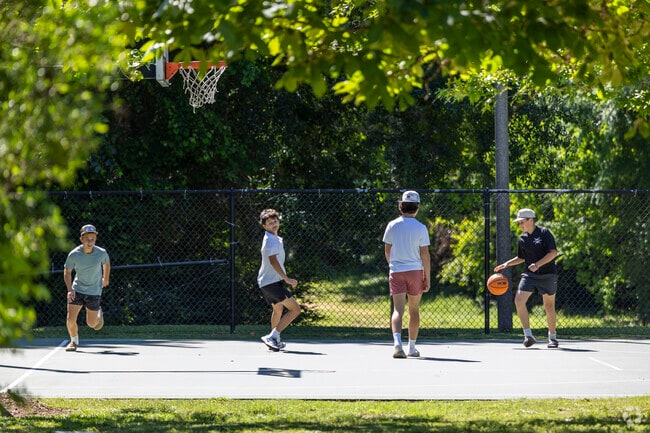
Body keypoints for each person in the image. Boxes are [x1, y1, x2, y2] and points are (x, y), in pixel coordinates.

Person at [494, 208, 559, 348]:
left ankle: (552, 338)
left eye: (522, 222)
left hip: (548, 274)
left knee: (548, 306)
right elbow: (521, 258)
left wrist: (538, 264)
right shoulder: (522, 238)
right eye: (519, 223)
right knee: (518, 300)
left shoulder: (544, 233)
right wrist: (506, 264)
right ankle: (528, 336)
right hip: (530, 275)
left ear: (531, 220)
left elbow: (553, 253)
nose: (520, 225)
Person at [382, 191, 431, 359]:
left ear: (401, 205)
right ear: (417, 207)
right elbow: (425, 254)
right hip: (415, 271)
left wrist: (393, 266)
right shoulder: (421, 228)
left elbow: (387, 250)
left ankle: (397, 345)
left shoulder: (392, 225)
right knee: (414, 310)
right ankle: (411, 348)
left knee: (397, 310)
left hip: (396, 271)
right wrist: (427, 277)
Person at [257, 209, 301, 351]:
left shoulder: (273, 239)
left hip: (266, 282)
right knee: (295, 309)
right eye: (270, 223)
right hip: (271, 283)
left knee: (278, 310)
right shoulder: (270, 240)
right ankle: (272, 337)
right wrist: (286, 278)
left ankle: (274, 340)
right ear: (264, 226)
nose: (274, 224)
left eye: (275, 221)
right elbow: (273, 261)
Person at [64, 224, 111, 352]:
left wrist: (105, 279)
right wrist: (70, 290)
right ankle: (73, 341)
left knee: (93, 325)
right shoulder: (74, 254)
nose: (90, 242)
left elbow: (106, 263)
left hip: (94, 291)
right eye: (87, 239)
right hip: (77, 289)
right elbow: (67, 272)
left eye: (93, 239)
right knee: (70, 318)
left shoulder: (101, 253)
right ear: (81, 239)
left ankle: (98, 314)